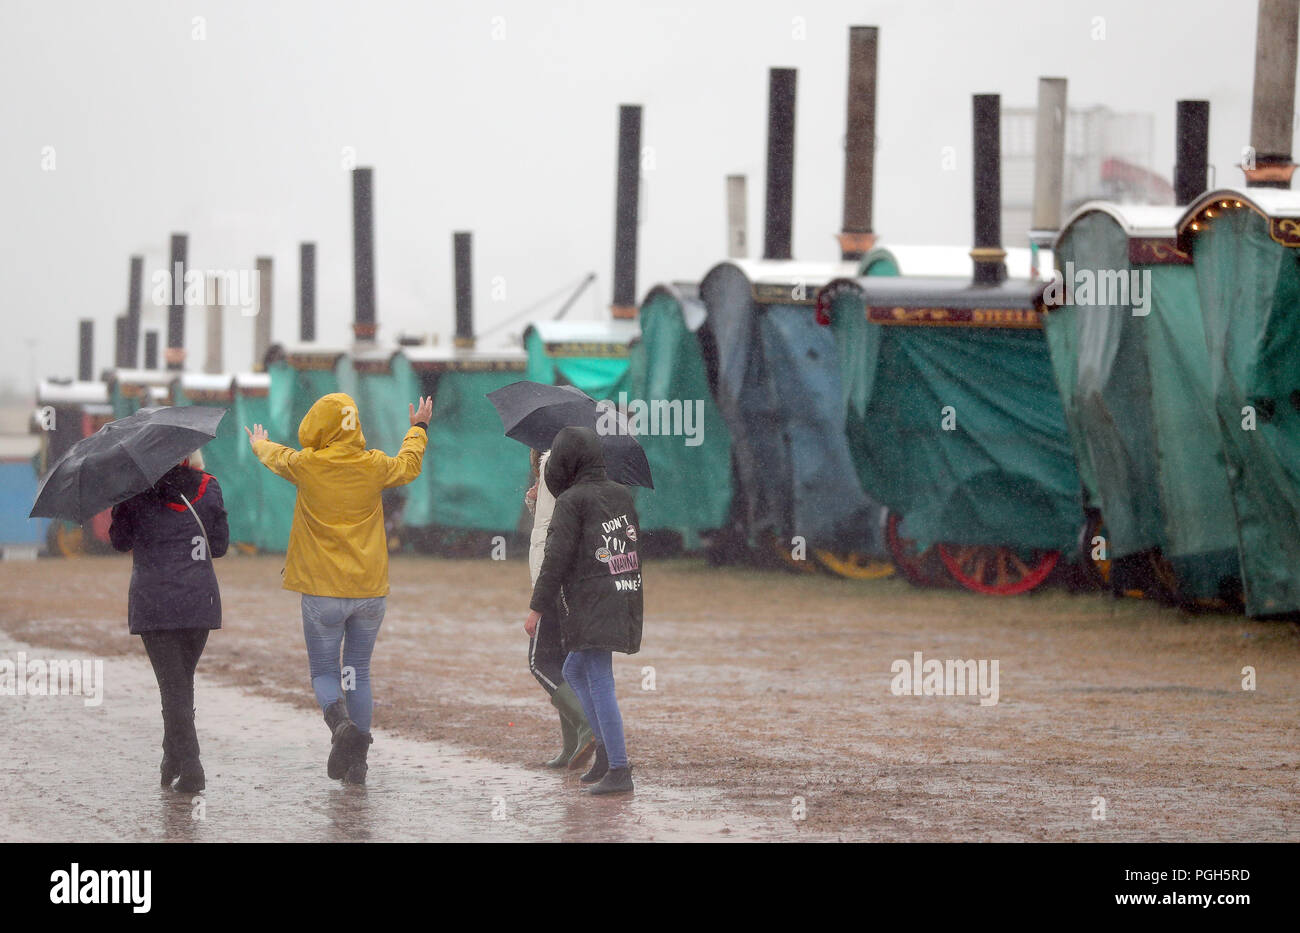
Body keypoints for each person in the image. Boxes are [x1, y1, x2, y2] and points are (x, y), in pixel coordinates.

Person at [245, 392, 431, 785]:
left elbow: (278, 457)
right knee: (357, 672)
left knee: (324, 672)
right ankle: (357, 764)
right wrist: (418, 428)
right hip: (369, 591)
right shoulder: (375, 465)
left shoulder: (308, 465)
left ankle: (339, 725)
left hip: (322, 591)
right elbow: (408, 465)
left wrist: (259, 443)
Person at [526, 426, 643, 795]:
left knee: (598, 675)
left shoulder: (572, 501)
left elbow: (554, 559)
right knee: (573, 668)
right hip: (622, 592)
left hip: (593, 599)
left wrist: (536, 609)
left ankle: (620, 768)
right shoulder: (621, 494)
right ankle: (606, 755)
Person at [109, 450, 229, 793]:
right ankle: (171, 756)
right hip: (199, 601)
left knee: (173, 686)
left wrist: (123, 502)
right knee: (179, 684)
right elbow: (218, 546)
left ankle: (191, 765)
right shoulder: (210, 486)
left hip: (155, 603)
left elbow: (119, 541)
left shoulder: (135, 492)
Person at [525, 447, 596, 770]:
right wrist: (535, 499)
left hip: (550, 576)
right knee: (564, 663)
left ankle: (585, 725)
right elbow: (554, 520)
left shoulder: (551, 464)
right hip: (572, 577)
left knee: (540, 662)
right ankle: (572, 746)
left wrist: (539, 599)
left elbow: (553, 531)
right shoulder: (578, 468)